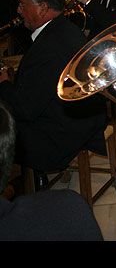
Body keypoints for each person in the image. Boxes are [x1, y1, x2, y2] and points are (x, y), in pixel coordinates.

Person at [0, 0, 106, 189]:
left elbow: (25, 109)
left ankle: (26, 185)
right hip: (83, 120)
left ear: (43, 8)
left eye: (23, 5)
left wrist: (4, 83)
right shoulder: (66, 28)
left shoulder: (49, 46)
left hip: (62, 133)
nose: (19, 11)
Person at [0, 102, 104, 241]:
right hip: (76, 124)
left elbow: (24, 107)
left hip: (69, 130)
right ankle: (34, 176)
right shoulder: (68, 209)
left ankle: (34, 175)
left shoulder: (67, 210)